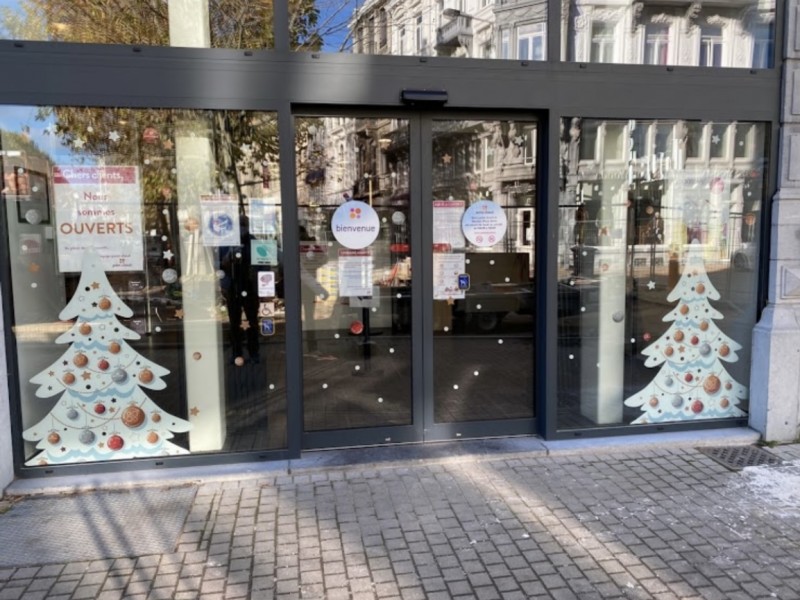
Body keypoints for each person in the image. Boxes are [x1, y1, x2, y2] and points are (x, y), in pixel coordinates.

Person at [220, 216, 261, 365]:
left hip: (250, 287)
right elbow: (219, 266)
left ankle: (254, 353)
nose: (242, 227)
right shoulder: (226, 243)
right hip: (233, 287)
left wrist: (262, 288)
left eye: (244, 224)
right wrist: (224, 283)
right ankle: (236, 354)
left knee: (252, 322)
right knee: (234, 323)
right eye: (240, 224)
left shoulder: (254, 241)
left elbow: (263, 265)